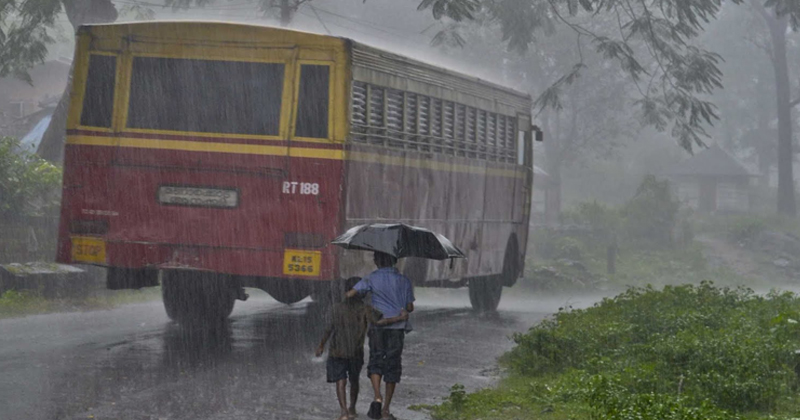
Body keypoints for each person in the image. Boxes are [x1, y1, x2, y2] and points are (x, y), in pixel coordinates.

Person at [317, 276, 409, 420]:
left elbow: (329, 329)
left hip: (337, 350)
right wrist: (399, 318)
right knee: (354, 380)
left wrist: (321, 346)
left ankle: (343, 412)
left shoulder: (336, 308)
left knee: (340, 380)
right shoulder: (365, 309)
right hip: (355, 352)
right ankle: (352, 408)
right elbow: (380, 322)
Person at [346, 252, 415, 420]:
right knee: (393, 364)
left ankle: (377, 396)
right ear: (394, 261)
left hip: (377, 326)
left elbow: (351, 294)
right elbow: (409, 307)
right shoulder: (404, 280)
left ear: (377, 262)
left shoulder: (371, 278)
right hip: (397, 328)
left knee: (376, 360)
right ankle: (385, 410)